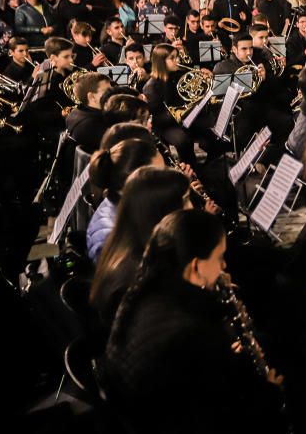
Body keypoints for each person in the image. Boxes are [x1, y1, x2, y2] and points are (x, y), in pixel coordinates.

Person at [102, 210, 285, 433]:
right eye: (219, 258)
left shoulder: (142, 290)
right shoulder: (193, 331)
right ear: (196, 266)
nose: (224, 266)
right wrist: (269, 393)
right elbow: (228, 414)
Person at [90, 166, 192, 323]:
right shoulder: (142, 277)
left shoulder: (128, 242)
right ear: (162, 212)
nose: (191, 207)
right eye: (185, 200)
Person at [85, 137, 164, 263]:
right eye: (161, 175)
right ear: (133, 181)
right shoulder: (112, 237)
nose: (167, 178)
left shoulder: (130, 201)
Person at [65, 72, 113, 152]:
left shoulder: (75, 113)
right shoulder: (93, 125)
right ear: (92, 96)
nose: (112, 95)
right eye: (107, 91)